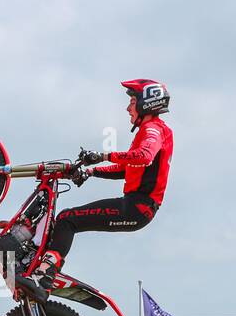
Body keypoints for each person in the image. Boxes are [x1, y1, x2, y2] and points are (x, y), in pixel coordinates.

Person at [17, 79, 173, 300]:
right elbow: (126, 169)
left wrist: (103, 155)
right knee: (63, 220)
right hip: (136, 206)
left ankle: (45, 275)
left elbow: (144, 156)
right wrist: (91, 172)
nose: (128, 108)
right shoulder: (150, 130)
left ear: (146, 103)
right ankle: (42, 267)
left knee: (67, 219)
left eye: (131, 101)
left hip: (137, 207)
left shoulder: (153, 130)